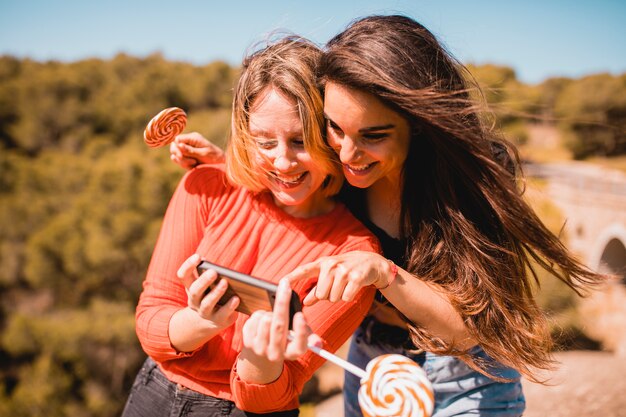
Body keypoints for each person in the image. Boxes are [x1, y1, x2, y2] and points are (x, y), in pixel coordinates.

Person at [170, 15, 605, 417]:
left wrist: (383, 273)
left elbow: (467, 334)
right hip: (371, 364)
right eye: (335, 129)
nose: (347, 153)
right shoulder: (341, 166)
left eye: (373, 136)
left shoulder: (471, 185)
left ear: (417, 122)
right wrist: (233, 166)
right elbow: (292, 183)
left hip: (465, 378)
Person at [122, 36, 380, 417]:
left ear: (331, 136)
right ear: (245, 137)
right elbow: (150, 323)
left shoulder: (353, 257)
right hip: (152, 396)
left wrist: (260, 360)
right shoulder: (206, 186)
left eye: (299, 140)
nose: (283, 161)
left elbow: (277, 391)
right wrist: (201, 321)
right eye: (264, 141)